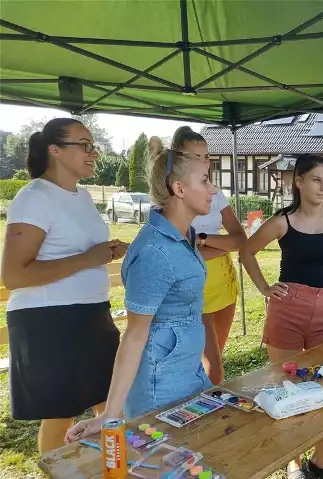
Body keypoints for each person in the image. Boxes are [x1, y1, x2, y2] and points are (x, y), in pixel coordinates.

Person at [65, 137, 217, 441]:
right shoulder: (153, 252)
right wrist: (110, 414)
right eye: (205, 180)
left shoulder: (184, 235)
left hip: (189, 372)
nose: (213, 188)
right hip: (160, 386)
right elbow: (134, 336)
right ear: (179, 189)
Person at [1, 118, 125, 454]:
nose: (94, 153)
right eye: (84, 145)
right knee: (61, 415)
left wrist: (107, 252)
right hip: (48, 321)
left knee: (111, 403)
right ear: (55, 150)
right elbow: (13, 276)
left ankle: (116, 470)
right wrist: (88, 258)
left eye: (93, 145)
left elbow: (81, 249)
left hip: (92, 314)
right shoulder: (35, 197)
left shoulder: (81, 196)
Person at [239, 154, 323, 479]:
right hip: (287, 309)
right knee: (286, 388)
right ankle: (293, 463)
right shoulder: (282, 221)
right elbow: (246, 251)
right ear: (299, 181)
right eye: (316, 180)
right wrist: (264, 288)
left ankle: (320, 461)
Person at [171, 126, 246, 385]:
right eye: (196, 157)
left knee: (214, 362)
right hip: (193, 285)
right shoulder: (169, 198)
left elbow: (239, 239)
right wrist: (221, 245)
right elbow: (178, 251)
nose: (205, 163)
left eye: (206, 156)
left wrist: (201, 241)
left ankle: (201, 413)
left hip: (223, 282)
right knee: (212, 367)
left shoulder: (215, 193)